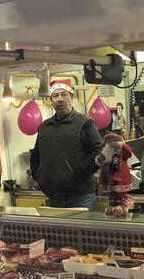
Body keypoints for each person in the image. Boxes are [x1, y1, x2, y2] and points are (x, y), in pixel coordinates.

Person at [30, 79, 102, 210]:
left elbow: (99, 151)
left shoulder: (85, 123)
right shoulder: (44, 127)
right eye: (55, 96)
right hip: (53, 197)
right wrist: (38, 175)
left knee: (84, 231)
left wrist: (80, 172)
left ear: (71, 98)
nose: (60, 99)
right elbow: (35, 154)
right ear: (51, 101)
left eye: (64, 94)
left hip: (81, 197)